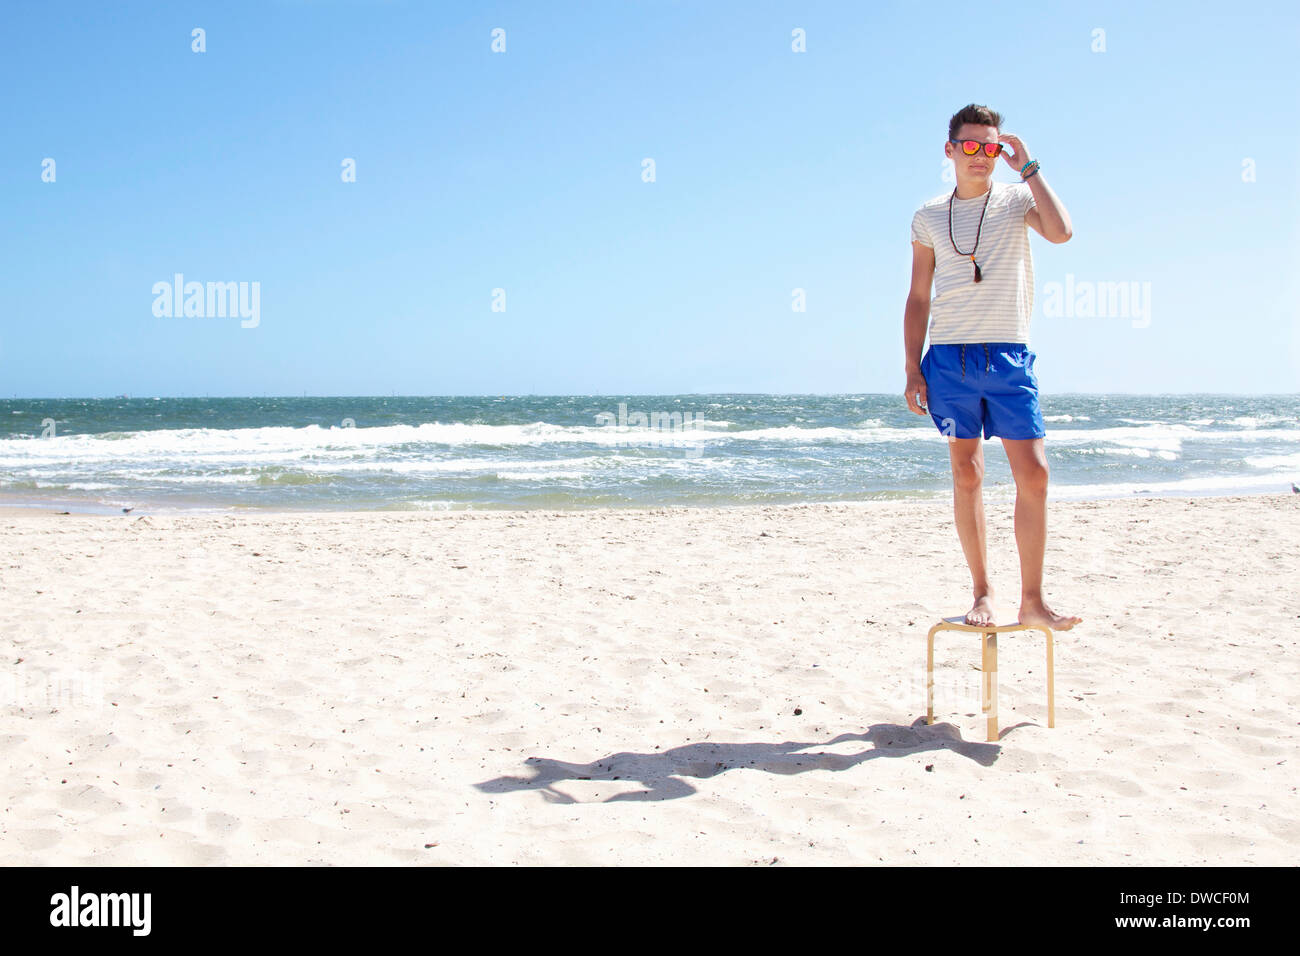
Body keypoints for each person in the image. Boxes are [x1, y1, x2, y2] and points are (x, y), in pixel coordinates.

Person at [903, 103, 1081, 631]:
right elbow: (917, 296)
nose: (981, 155)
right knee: (967, 473)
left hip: (1008, 356)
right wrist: (912, 369)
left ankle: (1032, 600)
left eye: (991, 146)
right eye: (971, 145)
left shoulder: (1017, 198)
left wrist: (1028, 165)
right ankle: (982, 592)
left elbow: (1061, 232)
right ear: (951, 149)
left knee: (1035, 473)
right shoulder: (929, 216)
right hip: (949, 359)